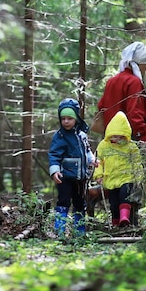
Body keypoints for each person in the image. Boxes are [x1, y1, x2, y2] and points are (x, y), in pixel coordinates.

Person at [48, 98, 97, 237]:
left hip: (80, 178)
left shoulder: (82, 135)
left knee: (80, 203)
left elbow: (86, 151)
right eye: (63, 118)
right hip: (65, 177)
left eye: (70, 118)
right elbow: (54, 154)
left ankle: (79, 232)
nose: (66, 121)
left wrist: (92, 160)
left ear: (76, 118)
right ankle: (60, 231)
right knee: (63, 201)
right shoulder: (60, 136)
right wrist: (55, 170)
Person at [92, 110, 144, 227]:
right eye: (114, 136)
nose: (117, 139)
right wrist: (98, 175)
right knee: (114, 203)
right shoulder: (104, 146)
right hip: (111, 178)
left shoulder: (131, 146)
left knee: (124, 195)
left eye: (121, 136)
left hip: (127, 177)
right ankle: (116, 223)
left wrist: (138, 176)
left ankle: (124, 217)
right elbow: (98, 161)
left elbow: (137, 162)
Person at [97, 41, 146, 143]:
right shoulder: (134, 82)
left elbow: (102, 106)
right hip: (128, 140)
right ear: (139, 65)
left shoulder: (112, 81)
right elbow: (134, 113)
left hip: (110, 138)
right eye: (145, 65)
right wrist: (143, 138)